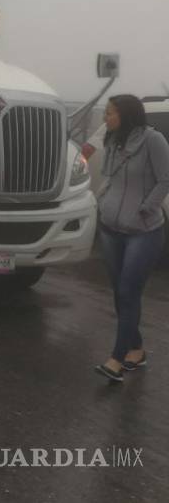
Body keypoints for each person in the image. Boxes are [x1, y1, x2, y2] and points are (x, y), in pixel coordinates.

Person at [93, 94, 169, 382]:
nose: (105, 118)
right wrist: (102, 201)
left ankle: (116, 359)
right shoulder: (113, 140)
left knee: (128, 291)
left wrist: (146, 208)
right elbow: (109, 177)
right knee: (121, 293)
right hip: (111, 228)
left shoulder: (153, 140)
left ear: (126, 114)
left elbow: (165, 178)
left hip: (144, 231)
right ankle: (136, 349)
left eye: (110, 113)